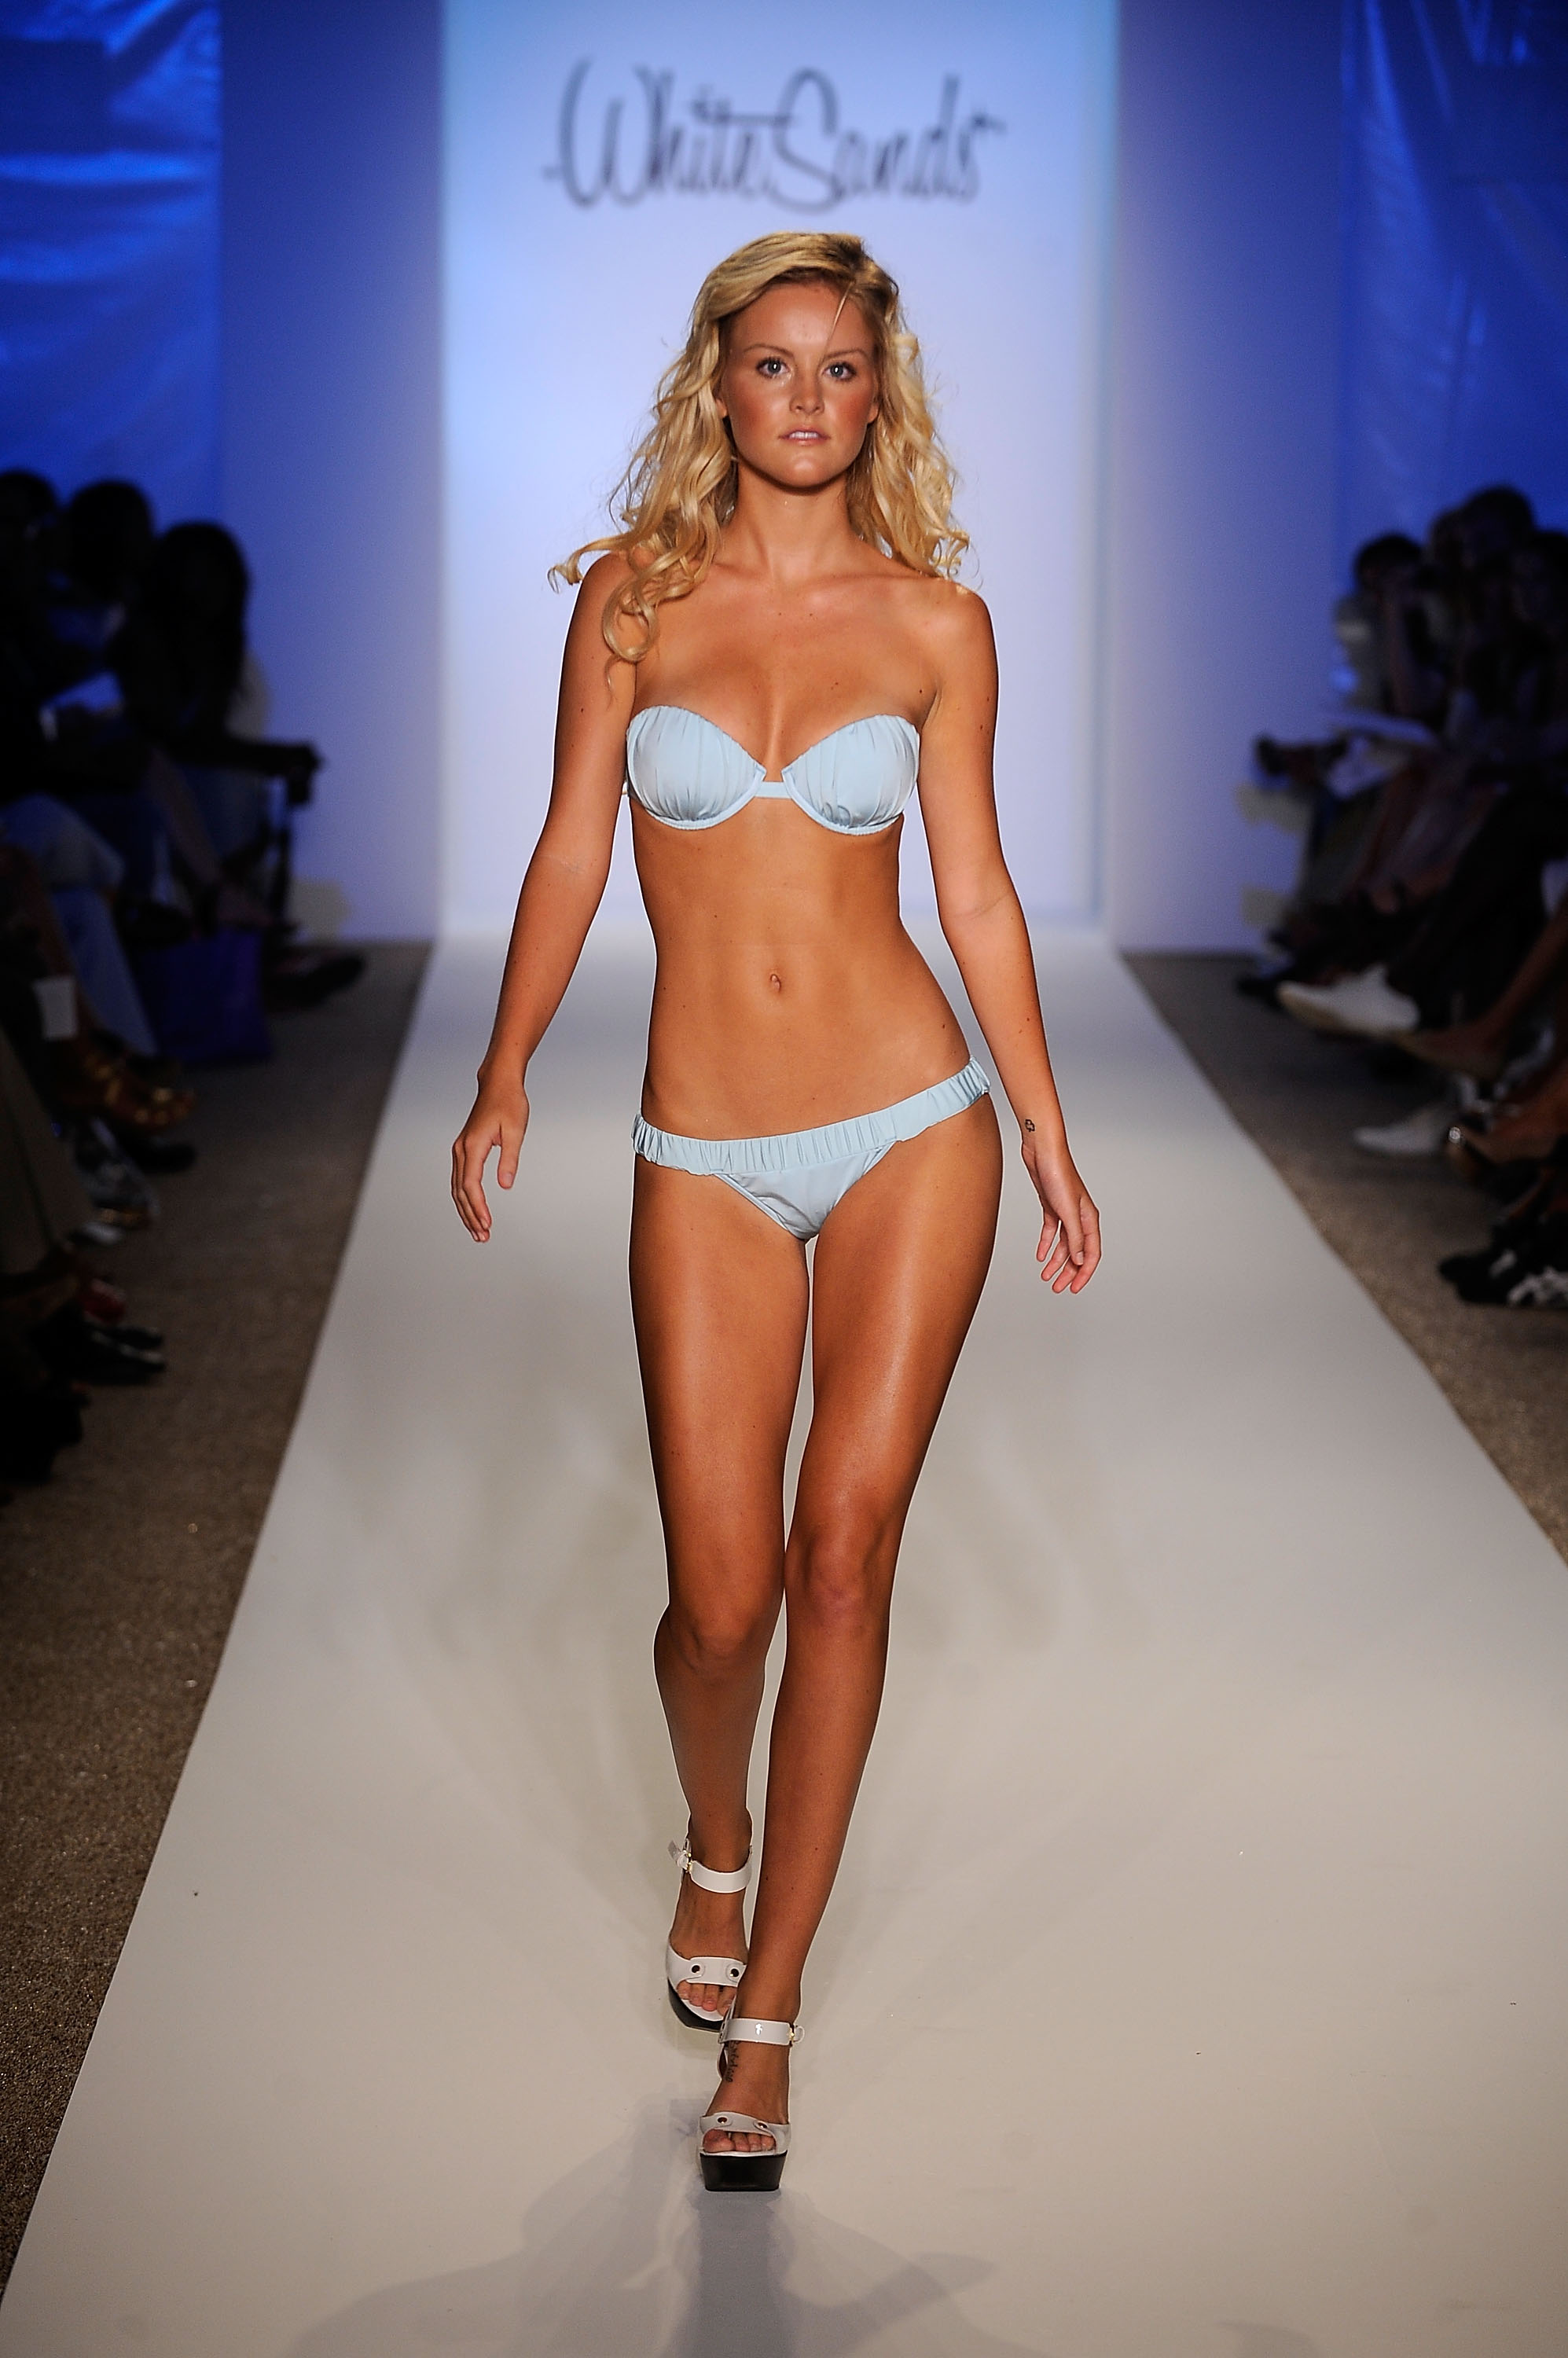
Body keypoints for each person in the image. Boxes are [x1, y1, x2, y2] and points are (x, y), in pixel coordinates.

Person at [450, 231, 1100, 2191]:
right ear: (713, 384)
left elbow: (972, 892)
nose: (805, 397)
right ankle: (711, 1837)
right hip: (702, 1151)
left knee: (841, 1560)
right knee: (717, 1602)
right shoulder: (631, 600)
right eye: (771, 363)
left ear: (875, 396)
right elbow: (572, 848)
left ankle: (769, 2019)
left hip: (912, 1124)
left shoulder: (937, 622)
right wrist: (503, 1066)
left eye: (838, 367)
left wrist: (1042, 1130)